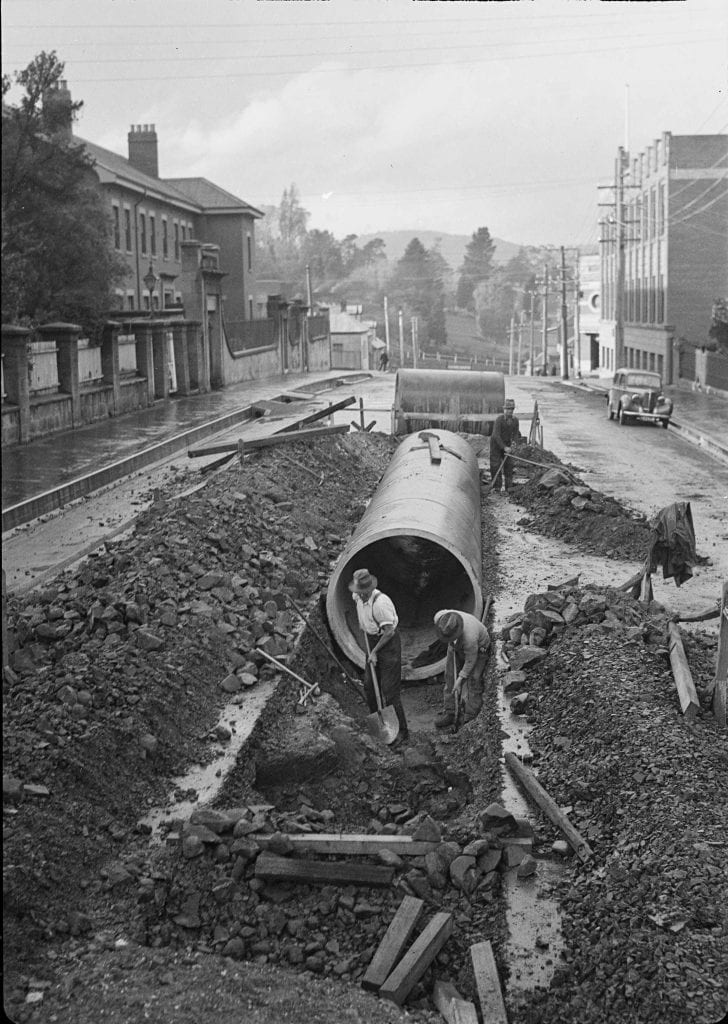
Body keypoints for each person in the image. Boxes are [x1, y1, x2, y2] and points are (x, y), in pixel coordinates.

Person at [349, 568, 409, 746]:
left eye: (361, 592)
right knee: (369, 685)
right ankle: (380, 724)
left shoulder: (380, 604)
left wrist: (375, 652)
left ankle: (403, 733)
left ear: (368, 590)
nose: (358, 595)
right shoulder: (357, 597)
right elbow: (357, 606)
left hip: (387, 644)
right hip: (372, 640)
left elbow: (389, 632)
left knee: (390, 692)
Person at [433, 610, 491, 728]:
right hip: (455, 646)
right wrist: (455, 680)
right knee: (450, 675)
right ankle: (450, 712)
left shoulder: (470, 637)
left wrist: (459, 681)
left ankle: (470, 715)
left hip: (479, 649)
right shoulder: (440, 618)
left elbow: (470, 661)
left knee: (474, 679)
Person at [489, 397, 522, 494]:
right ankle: (497, 487)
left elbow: (515, 434)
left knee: (508, 465)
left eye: (511, 409)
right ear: (504, 409)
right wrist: (504, 447)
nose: (509, 411)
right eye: (507, 409)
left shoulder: (515, 421)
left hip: (507, 444)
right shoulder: (499, 420)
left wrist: (514, 443)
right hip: (496, 444)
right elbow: (496, 435)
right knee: (495, 465)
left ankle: (508, 487)